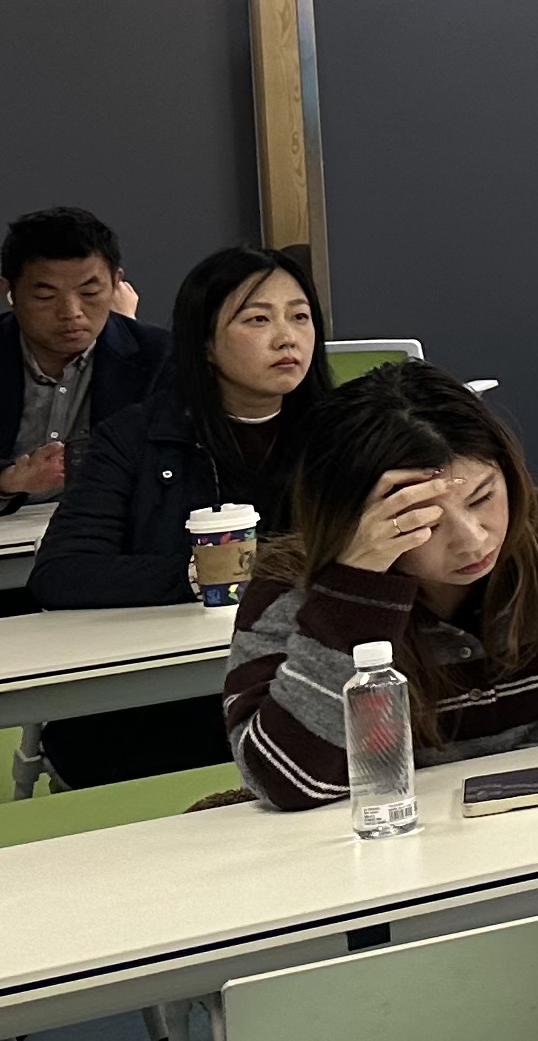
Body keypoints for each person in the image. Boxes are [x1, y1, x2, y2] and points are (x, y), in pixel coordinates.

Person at [222, 363, 538, 810]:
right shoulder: (289, 588)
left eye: (484, 497)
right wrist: (356, 589)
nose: (472, 539)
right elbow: (286, 783)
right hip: (397, 844)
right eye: (424, 522)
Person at [33, 246, 325, 786]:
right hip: (167, 699)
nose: (287, 337)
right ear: (205, 344)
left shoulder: (343, 433)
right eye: (258, 319)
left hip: (307, 674)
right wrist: (206, 573)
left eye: (300, 316)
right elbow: (62, 571)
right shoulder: (135, 437)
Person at [4, 207, 163, 518]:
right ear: (8, 291)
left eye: (90, 292)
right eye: (46, 297)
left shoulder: (159, 356)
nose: (71, 312)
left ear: (116, 283)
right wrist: (7, 481)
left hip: (110, 528)